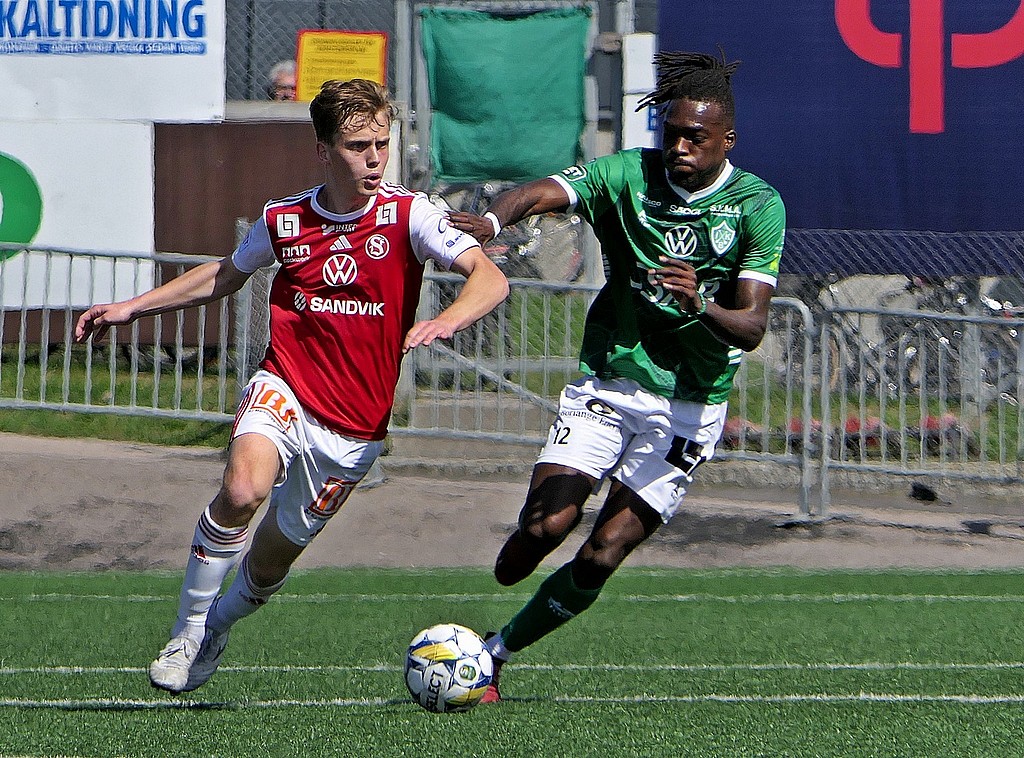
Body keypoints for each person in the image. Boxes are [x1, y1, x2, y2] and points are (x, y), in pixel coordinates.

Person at [74, 78, 509, 694]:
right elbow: (225, 274)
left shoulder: (412, 215)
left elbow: (489, 278)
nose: (375, 159)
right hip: (286, 385)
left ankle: (219, 626)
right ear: (324, 150)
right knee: (242, 489)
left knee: (271, 557)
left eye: (382, 144)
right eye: (358, 146)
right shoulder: (285, 220)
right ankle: (188, 630)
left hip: (354, 429)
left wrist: (447, 319)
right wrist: (132, 307)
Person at [446, 51, 785, 702]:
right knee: (543, 530)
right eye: (672, 133)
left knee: (604, 550)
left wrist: (699, 304)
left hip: (691, 406)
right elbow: (543, 191)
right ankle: (526, 548)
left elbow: (751, 327)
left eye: (696, 137)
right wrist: (492, 219)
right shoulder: (629, 175)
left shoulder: (756, 204)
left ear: (728, 140)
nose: (679, 147)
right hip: (609, 383)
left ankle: (495, 653)